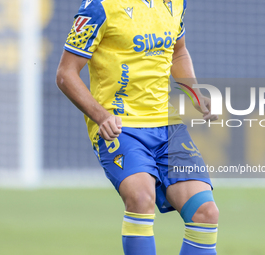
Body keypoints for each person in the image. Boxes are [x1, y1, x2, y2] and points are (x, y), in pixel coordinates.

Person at [56, 0, 219, 254]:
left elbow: (179, 52)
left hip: (167, 127)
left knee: (205, 212)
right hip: (122, 127)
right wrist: (101, 116)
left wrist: (194, 92)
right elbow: (66, 74)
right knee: (141, 198)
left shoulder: (176, 3)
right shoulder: (99, 7)